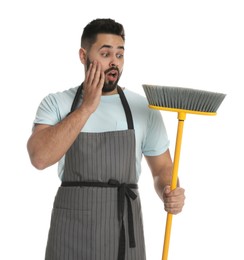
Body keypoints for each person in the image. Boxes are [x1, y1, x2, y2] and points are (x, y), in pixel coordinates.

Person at [27, 18, 185, 260]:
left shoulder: (143, 108)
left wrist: (167, 190)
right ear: (83, 55)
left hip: (123, 227)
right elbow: (39, 157)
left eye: (120, 55)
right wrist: (86, 107)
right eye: (105, 53)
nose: (114, 62)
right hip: (70, 230)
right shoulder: (56, 103)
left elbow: (162, 168)